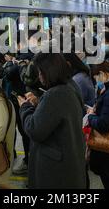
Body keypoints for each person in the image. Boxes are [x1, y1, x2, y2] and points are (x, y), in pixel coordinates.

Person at [18, 53, 86, 188]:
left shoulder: (55, 94)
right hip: (69, 160)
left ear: (49, 71)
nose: (39, 76)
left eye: (40, 72)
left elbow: (34, 129)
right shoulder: (71, 85)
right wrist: (39, 104)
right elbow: (57, 115)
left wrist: (25, 107)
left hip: (55, 170)